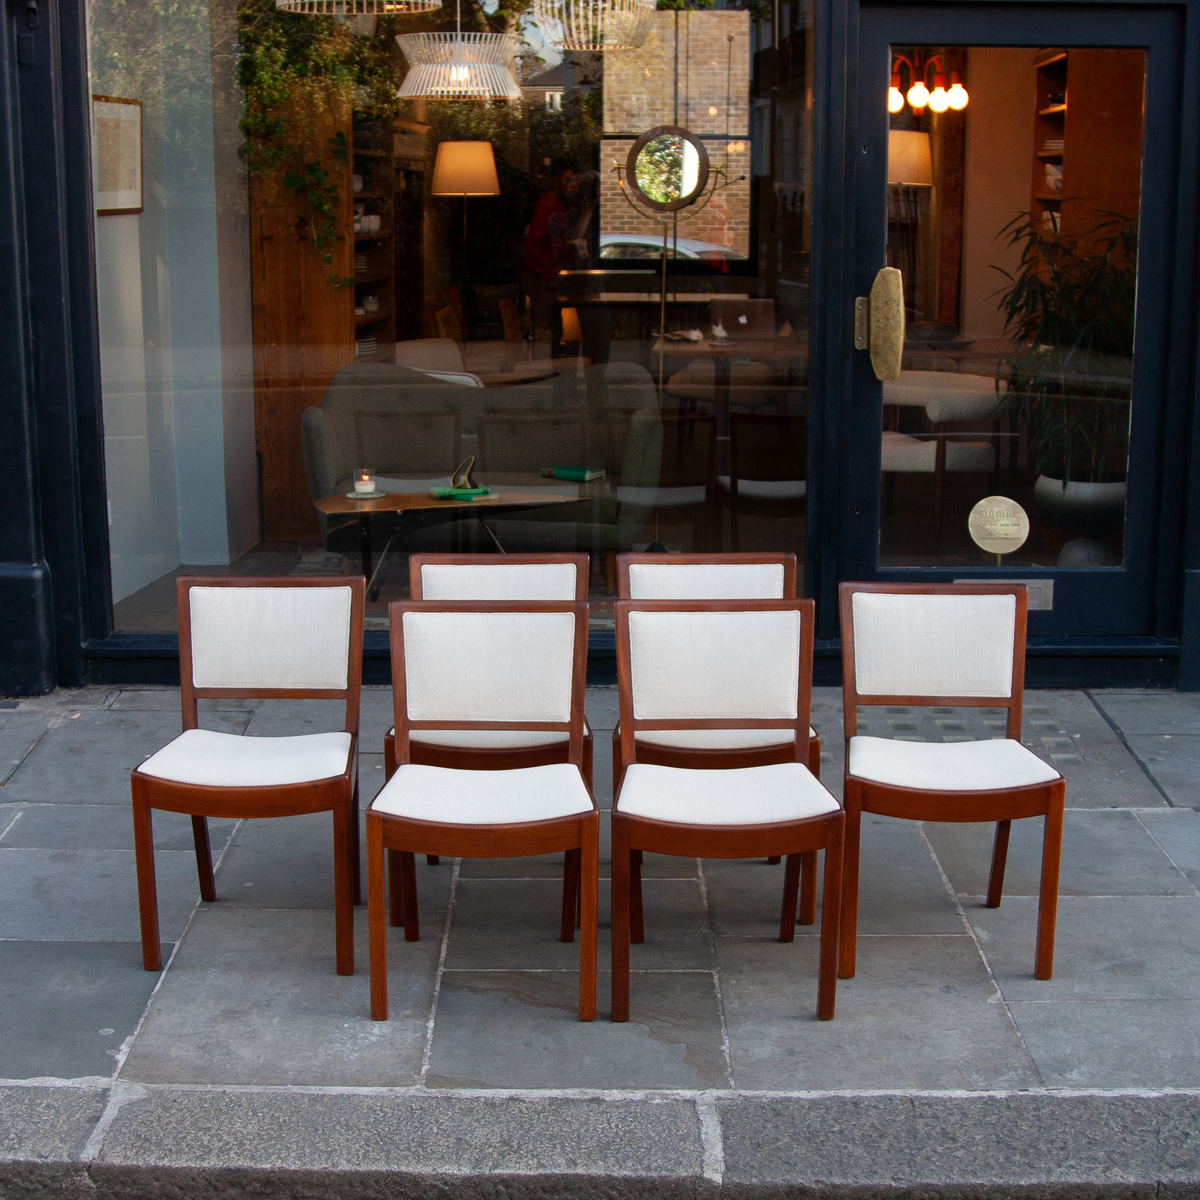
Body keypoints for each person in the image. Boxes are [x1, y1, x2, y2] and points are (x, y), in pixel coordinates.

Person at [521, 163, 577, 354]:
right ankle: (542, 373)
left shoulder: (559, 206)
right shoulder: (548, 206)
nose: (573, 185)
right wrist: (545, 276)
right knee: (544, 332)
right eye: (568, 180)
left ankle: (551, 372)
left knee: (555, 328)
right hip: (540, 278)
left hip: (550, 277)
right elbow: (533, 243)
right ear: (555, 182)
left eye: (575, 180)